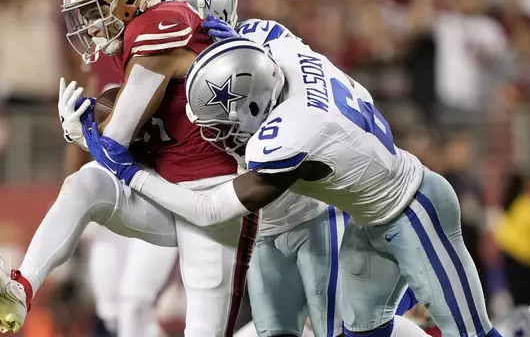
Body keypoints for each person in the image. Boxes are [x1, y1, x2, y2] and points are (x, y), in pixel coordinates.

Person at [81, 34, 503, 337]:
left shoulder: (285, 138)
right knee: (363, 330)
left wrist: (131, 171)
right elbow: (237, 41)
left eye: (220, 126)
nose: (214, 137)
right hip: (366, 217)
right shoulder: (275, 49)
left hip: (413, 209)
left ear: (252, 104)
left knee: (469, 331)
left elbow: (209, 210)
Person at [0, 0, 253, 336]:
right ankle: (22, 287)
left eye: (94, 10)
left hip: (216, 201)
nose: (88, 25)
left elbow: (116, 142)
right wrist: (90, 126)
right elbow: (124, 144)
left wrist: (83, 129)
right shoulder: (138, 38)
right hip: (165, 190)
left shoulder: (160, 27)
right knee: (85, 183)